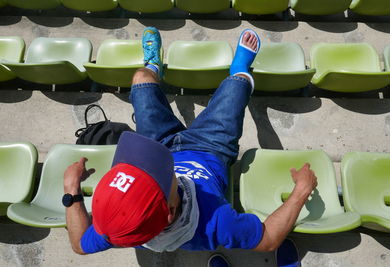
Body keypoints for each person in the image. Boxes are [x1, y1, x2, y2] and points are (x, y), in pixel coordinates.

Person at [63, 27, 317, 263]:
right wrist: (301, 192)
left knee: (141, 78)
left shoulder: (116, 229)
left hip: (160, 142)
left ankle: (153, 65)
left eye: (135, 168)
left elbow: (79, 244)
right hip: (211, 147)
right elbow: (268, 239)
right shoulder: (215, 220)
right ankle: (239, 69)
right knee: (237, 87)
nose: (147, 163)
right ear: (171, 210)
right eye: (158, 174)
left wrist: (72, 190)